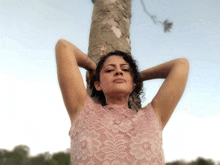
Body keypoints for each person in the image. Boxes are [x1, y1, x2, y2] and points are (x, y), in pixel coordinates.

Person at [55, 39, 189, 165]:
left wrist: (137, 77)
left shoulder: (153, 117)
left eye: (125, 70)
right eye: (109, 70)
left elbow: (181, 64)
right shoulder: (83, 112)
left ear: (134, 84)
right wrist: (92, 67)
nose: (118, 71)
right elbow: (64, 46)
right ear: (98, 85)